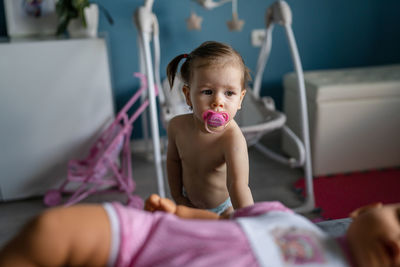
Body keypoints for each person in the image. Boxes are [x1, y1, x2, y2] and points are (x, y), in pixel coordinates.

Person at [0, 195, 399, 267]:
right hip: (151, 242)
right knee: (50, 231)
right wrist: (180, 212)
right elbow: (227, 222)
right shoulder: (287, 217)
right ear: (363, 210)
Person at [165, 41, 254, 215]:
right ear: (188, 95)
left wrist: (251, 218)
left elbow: (238, 185)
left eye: (229, 93)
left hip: (223, 209)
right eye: (207, 92)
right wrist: (177, 196)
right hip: (188, 203)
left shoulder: (231, 138)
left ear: (241, 99)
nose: (218, 102)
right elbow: (173, 162)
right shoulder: (177, 126)